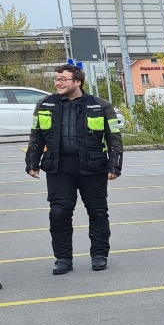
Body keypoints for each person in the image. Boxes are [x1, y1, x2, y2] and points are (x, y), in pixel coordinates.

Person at [25, 64, 124, 275]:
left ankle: (99, 255)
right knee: (59, 213)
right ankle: (63, 259)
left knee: (97, 212)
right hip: (59, 168)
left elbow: (114, 137)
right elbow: (36, 135)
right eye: (56, 79)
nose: (58, 83)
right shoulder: (45, 104)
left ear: (77, 82)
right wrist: (32, 162)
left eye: (63, 79)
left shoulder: (100, 106)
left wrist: (114, 164)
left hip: (93, 168)